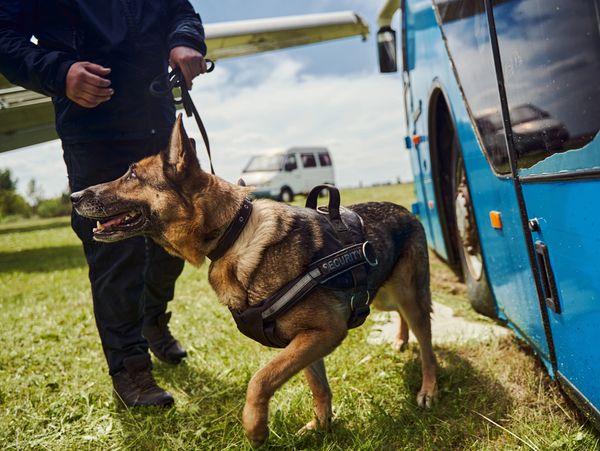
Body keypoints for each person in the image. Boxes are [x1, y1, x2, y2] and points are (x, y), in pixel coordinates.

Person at [0, 1, 208, 407]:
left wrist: (185, 41)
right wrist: (60, 73)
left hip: (157, 121)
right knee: (117, 257)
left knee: (175, 242)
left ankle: (152, 321)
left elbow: (181, 12)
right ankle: (131, 370)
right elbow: (4, 37)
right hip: (95, 132)